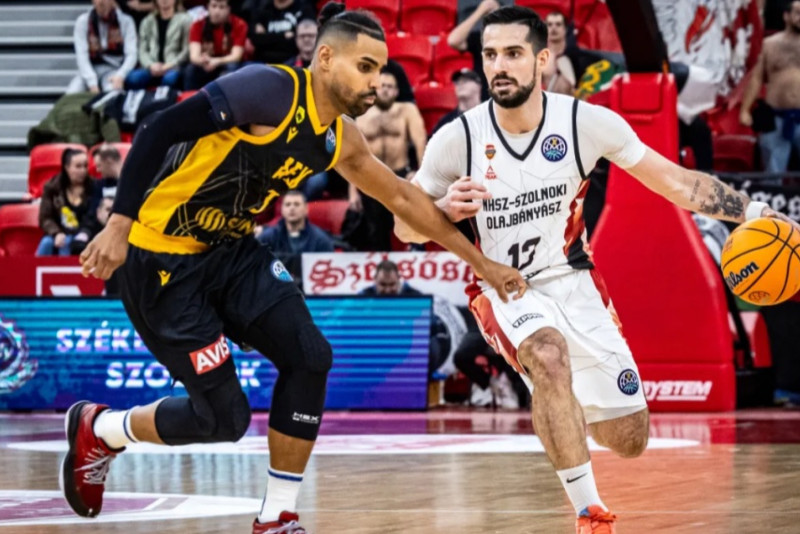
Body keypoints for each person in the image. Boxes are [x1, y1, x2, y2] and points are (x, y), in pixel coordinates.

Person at [62, 5, 526, 534]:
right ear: (325, 58)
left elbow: (402, 198)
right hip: (161, 257)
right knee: (224, 420)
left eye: (380, 69)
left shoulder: (340, 138)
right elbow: (156, 128)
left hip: (232, 253)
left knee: (310, 357)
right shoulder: (269, 90)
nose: (376, 81)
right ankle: (103, 429)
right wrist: (118, 224)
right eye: (365, 67)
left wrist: (482, 263)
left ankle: (276, 517)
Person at [394, 6, 800, 533]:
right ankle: (590, 512)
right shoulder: (458, 138)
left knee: (629, 439)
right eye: (490, 54)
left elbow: (677, 182)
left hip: (575, 280)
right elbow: (405, 227)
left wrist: (752, 210)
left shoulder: (583, 123)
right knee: (547, 355)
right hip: (502, 286)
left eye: (513, 53)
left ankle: (562, 406)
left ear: (542, 58)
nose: (499, 66)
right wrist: (444, 209)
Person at [349, 68, 427, 250]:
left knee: (414, 225)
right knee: (375, 231)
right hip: (372, 176)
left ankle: (415, 255)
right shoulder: (362, 113)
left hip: (400, 174)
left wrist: (421, 177)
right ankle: (381, 261)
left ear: (396, 92)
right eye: (382, 86)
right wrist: (353, 192)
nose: (385, 90)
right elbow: (353, 153)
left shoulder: (407, 110)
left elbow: (420, 143)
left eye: (390, 87)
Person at [740, 0, 800, 174]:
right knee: (773, 174)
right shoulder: (770, 45)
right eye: (797, 13)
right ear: (786, 16)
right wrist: (745, 110)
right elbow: (757, 78)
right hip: (776, 118)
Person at [257, 190, 334, 279]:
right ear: (282, 209)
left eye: (296, 204)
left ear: (306, 209)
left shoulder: (321, 240)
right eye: (288, 204)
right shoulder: (267, 238)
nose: (292, 208)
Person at [67, 0, 138, 94]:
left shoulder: (126, 21)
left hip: (113, 69)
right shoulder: (83, 21)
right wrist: (92, 83)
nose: (101, 2)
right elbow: (81, 56)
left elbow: (131, 54)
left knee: (113, 93)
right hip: (89, 69)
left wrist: (121, 75)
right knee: (72, 93)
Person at [37, 149, 94, 256]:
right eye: (78, 166)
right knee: (46, 243)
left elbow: (93, 218)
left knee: (68, 242)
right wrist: (56, 233)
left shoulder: (94, 187)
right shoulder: (52, 187)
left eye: (85, 166)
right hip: (59, 233)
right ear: (67, 167)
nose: (83, 170)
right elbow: (45, 218)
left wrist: (84, 233)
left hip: (85, 235)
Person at [126, 0, 192, 89]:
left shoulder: (186, 20)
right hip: (151, 67)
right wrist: (150, 65)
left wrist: (169, 65)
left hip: (174, 66)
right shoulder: (147, 21)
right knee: (133, 78)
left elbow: (186, 50)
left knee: (170, 79)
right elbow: (142, 50)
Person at [183, 0, 247, 90]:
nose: (217, 11)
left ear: (228, 9)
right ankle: (191, 97)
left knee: (231, 67)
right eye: (214, 6)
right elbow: (194, 56)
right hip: (207, 63)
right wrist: (203, 60)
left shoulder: (239, 24)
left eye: (221, 7)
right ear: (208, 7)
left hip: (226, 62)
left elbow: (236, 56)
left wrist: (216, 61)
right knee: (190, 69)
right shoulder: (197, 25)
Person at [249, 0, 316, 64]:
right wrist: (283, 36)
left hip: (293, 61)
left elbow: (303, 41)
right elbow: (256, 40)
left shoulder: (303, 9)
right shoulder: (263, 10)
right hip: (263, 62)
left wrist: (267, 37)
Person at [432, 68, 484, 135]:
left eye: (465, 81)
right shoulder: (447, 121)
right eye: (457, 82)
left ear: (478, 85)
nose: (460, 84)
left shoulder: (491, 115)